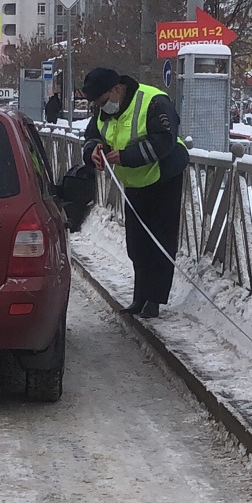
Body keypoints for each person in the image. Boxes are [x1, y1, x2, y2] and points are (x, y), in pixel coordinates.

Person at [82, 67, 187, 320]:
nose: (101, 108)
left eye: (103, 102)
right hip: (134, 182)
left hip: (163, 176)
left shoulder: (153, 101)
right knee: (137, 243)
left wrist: (127, 156)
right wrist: (93, 152)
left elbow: (164, 140)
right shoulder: (105, 108)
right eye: (97, 104)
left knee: (159, 241)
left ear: (117, 89)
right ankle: (140, 296)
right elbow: (92, 136)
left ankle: (154, 300)